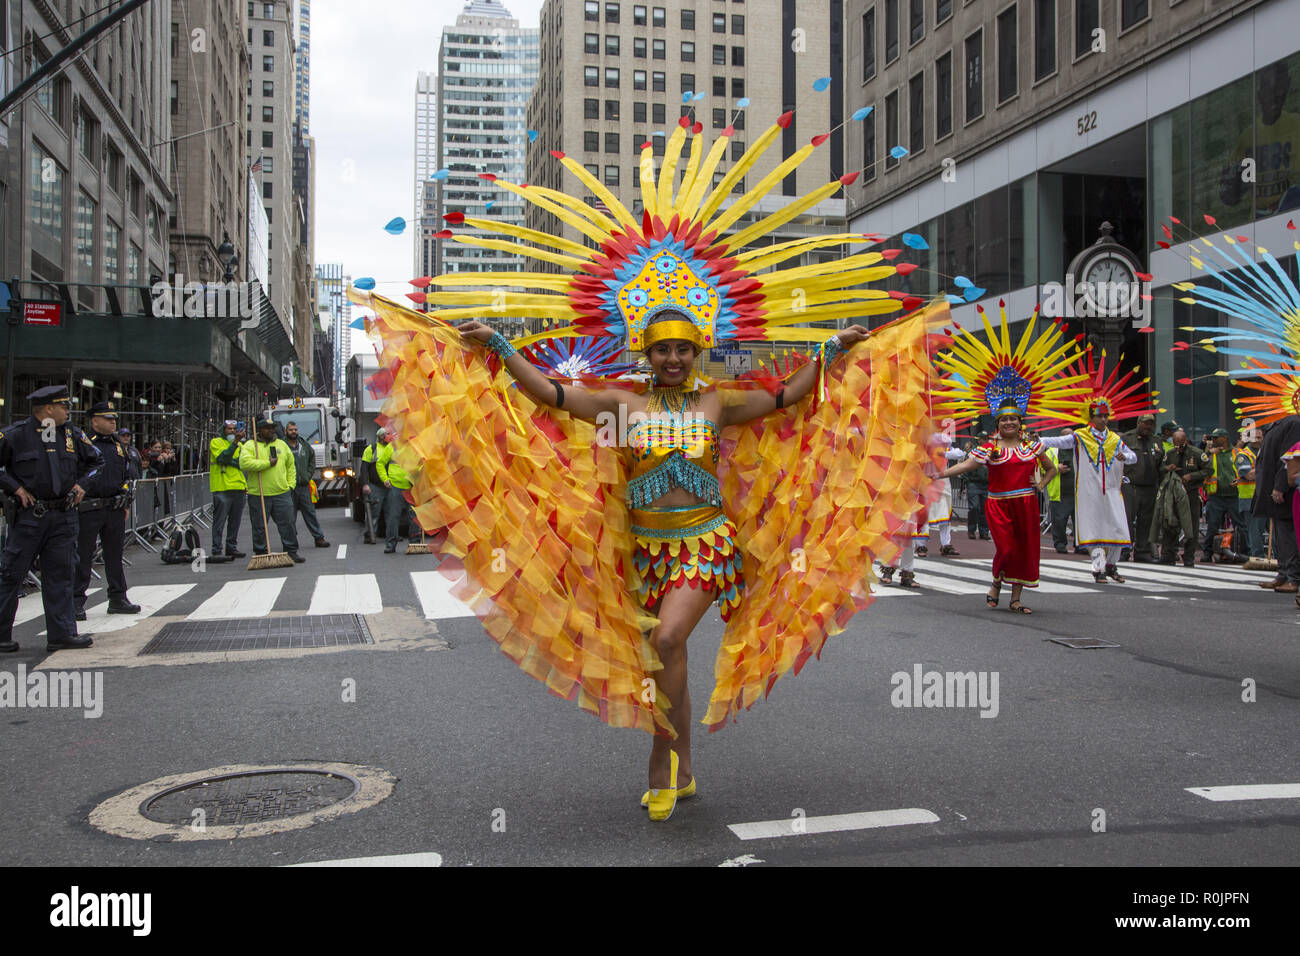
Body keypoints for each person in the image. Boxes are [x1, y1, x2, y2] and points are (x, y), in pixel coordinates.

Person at [0, 385, 103, 653]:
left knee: (61, 575)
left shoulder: (72, 435)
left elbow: (96, 463)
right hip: (30, 518)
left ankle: (62, 634)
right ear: (47, 409)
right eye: (63, 405)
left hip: (63, 515)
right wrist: (15, 487)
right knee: (11, 575)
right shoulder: (16, 435)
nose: (68, 410)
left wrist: (82, 485)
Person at [1039, 399, 1139, 583]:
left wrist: (1125, 456)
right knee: (1095, 531)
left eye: (1106, 416)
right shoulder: (1080, 436)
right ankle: (1099, 569)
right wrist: (1038, 440)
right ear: (1091, 418)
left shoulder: (1114, 439)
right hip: (1090, 492)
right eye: (1099, 416)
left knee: (1118, 528)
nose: (1103, 419)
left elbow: (1133, 457)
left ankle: (1110, 566)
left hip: (1111, 492)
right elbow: (1058, 441)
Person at [73, 401, 141, 621]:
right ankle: (75, 601)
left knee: (114, 556)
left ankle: (118, 597)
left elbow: (125, 476)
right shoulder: (83, 444)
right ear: (95, 421)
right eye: (108, 419)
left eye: (114, 419)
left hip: (114, 507)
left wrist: (126, 503)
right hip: (89, 507)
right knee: (83, 556)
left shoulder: (119, 445)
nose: (113, 423)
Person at [239, 417, 303, 563]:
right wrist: (267, 463)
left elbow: (291, 466)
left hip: (281, 492)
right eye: (267, 428)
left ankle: (291, 551)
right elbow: (244, 463)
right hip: (259, 493)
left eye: (272, 428)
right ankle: (261, 553)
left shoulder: (282, 444)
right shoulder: (251, 445)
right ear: (259, 430)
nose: (270, 430)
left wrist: (290, 485)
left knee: (287, 524)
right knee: (259, 526)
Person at [1255, 416, 1300, 593]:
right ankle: (1283, 573)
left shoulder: (1293, 423)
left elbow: (1289, 459)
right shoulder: (1277, 424)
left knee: (1289, 534)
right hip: (1273, 487)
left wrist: (1280, 486)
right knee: (1281, 535)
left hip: (1287, 491)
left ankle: (1293, 576)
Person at [1154, 428, 1208, 567]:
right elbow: (1160, 469)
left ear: (1186, 441)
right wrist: (1168, 468)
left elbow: (1208, 469)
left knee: (1191, 525)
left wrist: (1193, 476)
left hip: (1190, 493)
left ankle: (1189, 556)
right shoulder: (1170, 453)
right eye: (1176, 445)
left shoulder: (1196, 453)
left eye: (1181, 445)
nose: (1178, 448)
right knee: (1170, 522)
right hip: (1173, 493)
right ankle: (1168, 554)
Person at [1121, 413, 1164, 563]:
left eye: (1151, 424)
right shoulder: (1126, 438)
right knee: (1127, 518)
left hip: (1150, 486)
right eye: (1145, 423)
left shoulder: (1157, 441)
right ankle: (1124, 550)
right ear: (1139, 423)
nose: (1148, 426)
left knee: (1147, 520)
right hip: (1130, 485)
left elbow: (1160, 465)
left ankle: (1142, 551)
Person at [1201, 427, 1246, 562]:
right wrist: (1207, 451)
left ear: (1224, 438)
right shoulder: (1211, 454)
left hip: (1234, 495)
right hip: (1216, 496)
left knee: (1241, 525)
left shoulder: (1237, 452)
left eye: (1216, 438)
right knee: (1212, 526)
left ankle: (1244, 552)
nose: (1213, 440)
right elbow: (1202, 466)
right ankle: (1207, 553)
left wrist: (1239, 480)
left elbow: (1245, 470)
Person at [285, 421, 329, 548]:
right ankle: (291, 541)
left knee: (310, 513)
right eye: (291, 430)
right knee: (289, 515)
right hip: (288, 487)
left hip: (303, 486)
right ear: (286, 432)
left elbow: (312, 458)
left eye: (295, 429)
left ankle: (318, 537)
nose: (294, 432)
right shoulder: (282, 445)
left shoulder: (303, 444)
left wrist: (308, 474)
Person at [209, 420, 247, 559]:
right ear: (223, 430)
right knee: (219, 522)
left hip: (238, 487)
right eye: (229, 429)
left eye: (234, 429)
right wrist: (234, 444)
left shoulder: (242, 445)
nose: (232, 431)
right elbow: (223, 458)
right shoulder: (216, 442)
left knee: (235, 522)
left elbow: (241, 462)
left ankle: (231, 547)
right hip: (222, 487)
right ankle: (217, 549)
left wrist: (230, 459)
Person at [1233, 433, 1266, 557]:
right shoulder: (1243, 455)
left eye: (1259, 437)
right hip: (1249, 499)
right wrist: (1267, 467)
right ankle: (1257, 557)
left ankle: (1278, 557)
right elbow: (1248, 475)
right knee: (1255, 531)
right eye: (1254, 437)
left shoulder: (1266, 452)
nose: (1257, 440)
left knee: (1271, 530)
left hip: (1266, 497)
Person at [1042, 441, 1075, 553]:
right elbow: (1042, 467)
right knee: (1059, 520)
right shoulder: (1053, 451)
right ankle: (1060, 544)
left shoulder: (1080, 451)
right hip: (1060, 493)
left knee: (1080, 522)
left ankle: (1081, 546)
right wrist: (1057, 468)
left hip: (1078, 493)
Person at [358, 429, 386, 545]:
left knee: (391, 512)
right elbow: (364, 468)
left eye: (387, 435)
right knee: (374, 512)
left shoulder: (392, 449)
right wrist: (365, 484)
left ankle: (390, 534)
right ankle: (369, 535)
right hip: (375, 486)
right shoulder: (371, 449)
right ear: (379, 437)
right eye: (384, 436)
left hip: (389, 485)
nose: (386, 438)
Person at [964, 433, 991, 540]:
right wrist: (967, 482)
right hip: (974, 483)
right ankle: (971, 530)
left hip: (986, 484)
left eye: (986, 439)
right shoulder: (973, 453)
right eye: (982, 439)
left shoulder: (990, 452)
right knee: (974, 507)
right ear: (978, 440)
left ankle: (984, 531)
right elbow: (965, 467)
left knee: (985, 509)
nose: (984, 441)